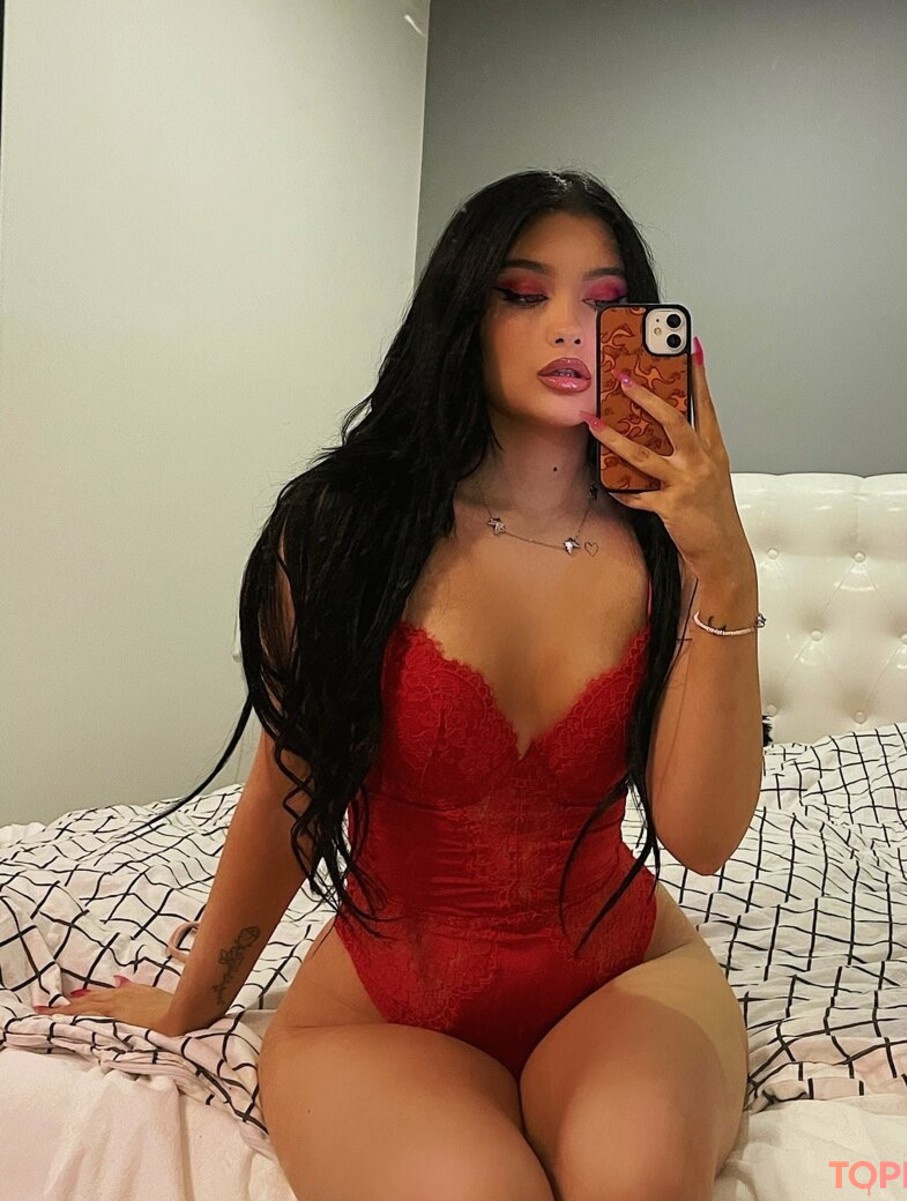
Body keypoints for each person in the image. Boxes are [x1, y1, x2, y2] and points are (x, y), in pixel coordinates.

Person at [36, 169, 764, 1201]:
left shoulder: (665, 547)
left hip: (620, 977)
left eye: (604, 301)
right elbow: (287, 787)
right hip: (388, 1007)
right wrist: (196, 998)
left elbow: (702, 837)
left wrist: (727, 565)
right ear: (462, 309)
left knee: (635, 1179)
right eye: (524, 292)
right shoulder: (346, 530)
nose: (568, 324)